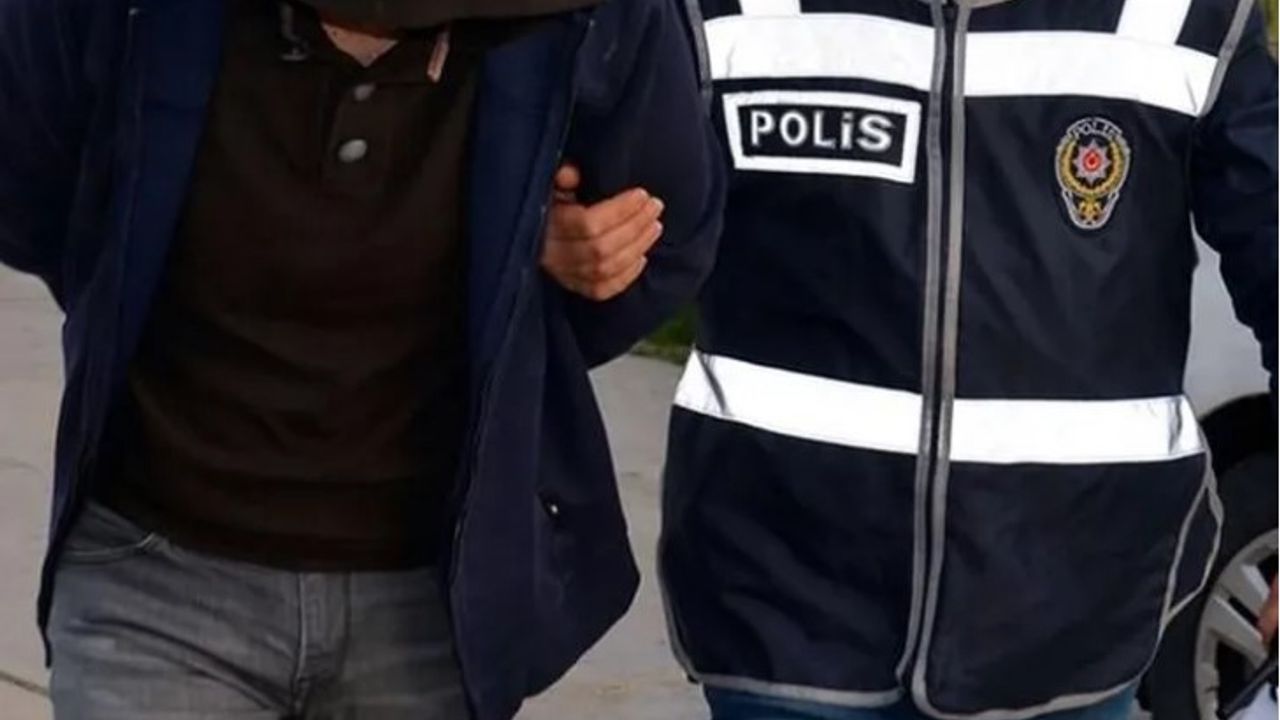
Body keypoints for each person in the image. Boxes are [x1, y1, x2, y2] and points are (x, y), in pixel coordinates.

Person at [0, 0, 724, 717]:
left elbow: (666, 235)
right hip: (153, 583)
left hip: (432, 606)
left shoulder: (600, 16)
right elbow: (34, 194)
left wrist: (527, 280)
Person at [622, 0, 1276, 718]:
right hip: (778, 596)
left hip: (1076, 614)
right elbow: (606, 201)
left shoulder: (1183, 15)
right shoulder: (730, 10)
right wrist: (569, 241)